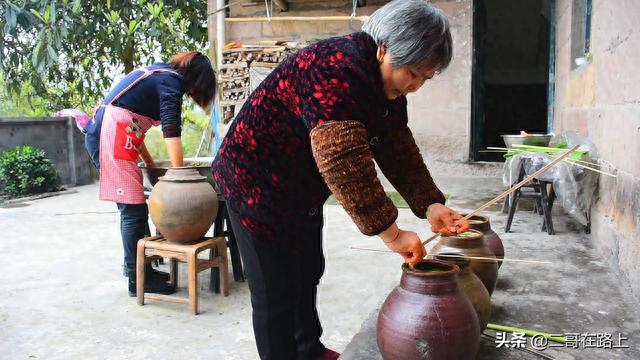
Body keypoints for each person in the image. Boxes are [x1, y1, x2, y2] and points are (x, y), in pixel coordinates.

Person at [212, 1, 469, 359]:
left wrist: (430, 203)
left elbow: (395, 144)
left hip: (300, 186)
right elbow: (343, 160)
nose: (415, 86)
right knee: (275, 290)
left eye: (424, 78)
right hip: (253, 180)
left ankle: (309, 350)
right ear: (384, 49)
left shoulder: (387, 88)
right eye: (412, 73)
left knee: (307, 269)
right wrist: (391, 233)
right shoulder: (333, 68)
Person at [84, 51, 217, 297]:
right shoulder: (171, 81)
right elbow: (170, 128)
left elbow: (133, 126)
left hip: (114, 135)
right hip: (109, 137)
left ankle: (137, 270)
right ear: (197, 80)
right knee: (133, 212)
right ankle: (138, 280)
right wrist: (180, 176)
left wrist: (152, 164)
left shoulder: (159, 73)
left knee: (134, 211)